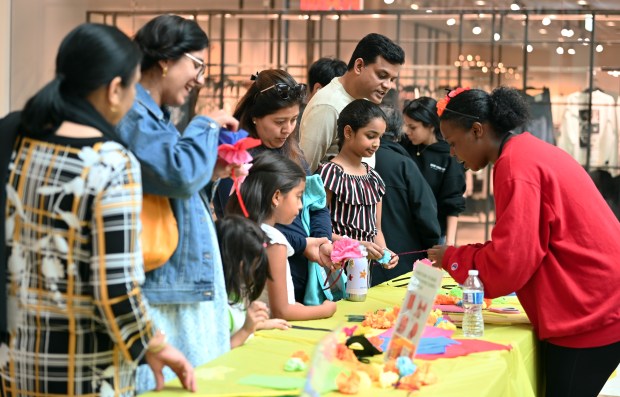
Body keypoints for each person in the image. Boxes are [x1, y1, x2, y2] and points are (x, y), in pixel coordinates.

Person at [0, 23, 195, 396]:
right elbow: (115, 287)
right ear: (113, 90)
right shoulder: (110, 162)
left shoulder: (23, 142)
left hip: (18, 359)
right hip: (84, 368)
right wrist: (153, 344)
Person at [427, 86, 620, 397]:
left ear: (477, 130)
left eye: (452, 143)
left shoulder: (515, 166)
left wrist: (453, 257)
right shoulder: (525, 151)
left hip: (590, 310)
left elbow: (511, 263)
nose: (452, 153)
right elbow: (517, 245)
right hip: (599, 298)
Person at [112, 14, 240, 393]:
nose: (200, 78)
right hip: (164, 285)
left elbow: (175, 183)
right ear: (166, 59)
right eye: (196, 64)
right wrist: (206, 124)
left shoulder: (153, 116)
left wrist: (212, 171)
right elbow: (178, 174)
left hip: (175, 281)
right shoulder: (135, 114)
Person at [214, 69, 333, 304]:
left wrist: (323, 240)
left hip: (299, 271)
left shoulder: (294, 153)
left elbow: (316, 205)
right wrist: (302, 244)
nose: (288, 129)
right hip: (260, 277)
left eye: (293, 120)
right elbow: (243, 224)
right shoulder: (236, 158)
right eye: (279, 122)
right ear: (255, 117)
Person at [227, 153, 337, 320]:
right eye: (298, 197)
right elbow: (282, 311)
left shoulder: (244, 229)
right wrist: (325, 310)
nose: (301, 206)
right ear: (276, 197)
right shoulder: (274, 242)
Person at [299, 33, 405, 172]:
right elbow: (304, 171)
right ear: (359, 66)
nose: (388, 85)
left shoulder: (365, 98)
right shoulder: (328, 106)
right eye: (382, 76)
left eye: (392, 79)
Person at [318, 99, 399, 270]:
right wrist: (357, 245)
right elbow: (318, 229)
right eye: (370, 136)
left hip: (363, 269)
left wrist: (384, 252)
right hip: (333, 267)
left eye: (379, 137)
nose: (376, 143)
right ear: (348, 132)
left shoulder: (374, 178)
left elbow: (376, 230)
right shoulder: (330, 173)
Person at [372, 104, 440, 286]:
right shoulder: (403, 164)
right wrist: (432, 247)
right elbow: (426, 213)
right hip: (404, 262)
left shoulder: (348, 163)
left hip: (358, 265)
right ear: (396, 134)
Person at [215, 215, 290, 348]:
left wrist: (259, 323)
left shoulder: (237, 292)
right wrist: (246, 331)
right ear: (238, 264)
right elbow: (217, 351)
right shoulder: (217, 306)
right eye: (254, 265)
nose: (255, 272)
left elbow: (239, 322)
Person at [401, 96, 466, 245]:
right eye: (406, 125)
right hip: (403, 230)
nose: (407, 131)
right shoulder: (405, 146)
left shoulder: (448, 156)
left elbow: (452, 203)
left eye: (413, 127)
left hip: (435, 235)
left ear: (430, 125)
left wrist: (449, 243)